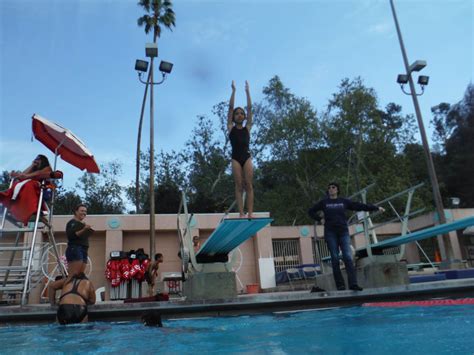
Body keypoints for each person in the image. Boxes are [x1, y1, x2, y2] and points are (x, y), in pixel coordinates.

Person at [308, 182, 385, 291]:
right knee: (334, 259)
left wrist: (375, 207)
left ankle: (353, 284)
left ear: (337, 190)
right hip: (330, 233)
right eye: (329, 188)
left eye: (333, 187)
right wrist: (320, 219)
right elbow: (310, 211)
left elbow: (359, 206)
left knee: (348, 258)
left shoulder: (343, 201)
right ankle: (340, 285)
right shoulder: (324, 202)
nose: (331, 189)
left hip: (343, 232)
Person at [0, 154, 53, 225]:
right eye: (35, 159)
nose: (36, 160)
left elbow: (40, 173)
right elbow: (22, 176)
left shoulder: (47, 168)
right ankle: (11, 205)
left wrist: (27, 176)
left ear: (43, 161)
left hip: (39, 191)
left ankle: (16, 206)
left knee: (28, 185)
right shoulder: (33, 169)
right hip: (26, 190)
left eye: (38, 159)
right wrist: (32, 165)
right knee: (17, 184)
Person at [228, 80, 254, 218]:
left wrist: (247, 92)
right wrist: (233, 91)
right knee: (239, 185)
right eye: (237, 113)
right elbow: (230, 107)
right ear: (234, 117)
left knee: (248, 184)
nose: (239, 115)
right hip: (236, 158)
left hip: (246, 157)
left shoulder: (247, 128)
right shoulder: (230, 127)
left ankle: (250, 213)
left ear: (244, 117)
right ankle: (241, 213)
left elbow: (250, 108)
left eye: (241, 113)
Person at [65, 204, 93, 277]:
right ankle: (53, 286)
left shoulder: (82, 224)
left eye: (85, 211)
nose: (84, 213)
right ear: (76, 212)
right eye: (82, 211)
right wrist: (84, 229)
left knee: (80, 275)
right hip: (75, 248)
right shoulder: (72, 223)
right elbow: (72, 236)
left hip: (84, 249)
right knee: (73, 275)